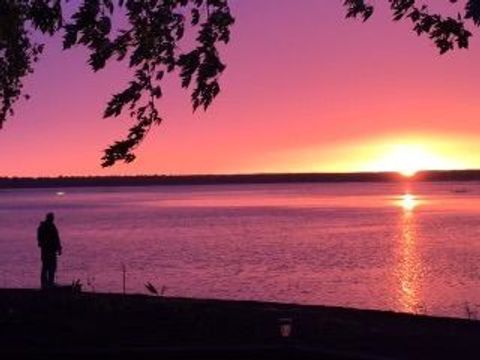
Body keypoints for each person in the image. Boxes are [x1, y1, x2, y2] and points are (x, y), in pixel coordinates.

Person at [37, 212, 62, 289]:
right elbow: (40, 239)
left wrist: (59, 248)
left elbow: (56, 238)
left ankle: (49, 283)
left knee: (50, 267)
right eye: (52, 218)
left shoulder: (48, 227)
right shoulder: (44, 227)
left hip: (50, 250)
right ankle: (45, 283)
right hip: (47, 250)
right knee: (47, 267)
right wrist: (58, 247)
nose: (52, 219)